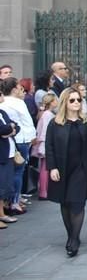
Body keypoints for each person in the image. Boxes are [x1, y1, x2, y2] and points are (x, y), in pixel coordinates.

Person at [45, 87, 87, 257]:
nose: (76, 103)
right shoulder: (55, 123)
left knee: (77, 202)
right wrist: (52, 167)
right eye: (72, 100)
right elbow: (49, 146)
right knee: (65, 203)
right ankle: (71, 235)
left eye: (79, 100)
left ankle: (73, 240)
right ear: (65, 102)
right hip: (62, 168)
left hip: (82, 169)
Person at [0, 77, 36, 215]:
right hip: (21, 140)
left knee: (10, 174)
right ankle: (14, 201)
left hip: (13, 139)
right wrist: (33, 136)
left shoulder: (5, 103)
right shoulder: (19, 103)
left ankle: (11, 201)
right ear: (14, 89)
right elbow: (27, 121)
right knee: (17, 172)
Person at [33, 93, 57, 200]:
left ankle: (44, 190)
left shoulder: (46, 114)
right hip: (45, 143)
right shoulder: (48, 115)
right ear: (51, 102)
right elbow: (46, 131)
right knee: (45, 167)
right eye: (55, 100)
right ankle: (43, 191)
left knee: (44, 167)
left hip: (43, 142)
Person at [0, 95, 19, 229]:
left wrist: (11, 128)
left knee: (5, 185)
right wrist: (8, 128)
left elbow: (16, 127)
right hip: (2, 154)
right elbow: (3, 129)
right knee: (1, 186)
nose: (2, 96)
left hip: (9, 153)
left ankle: (2, 213)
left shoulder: (2, 112)